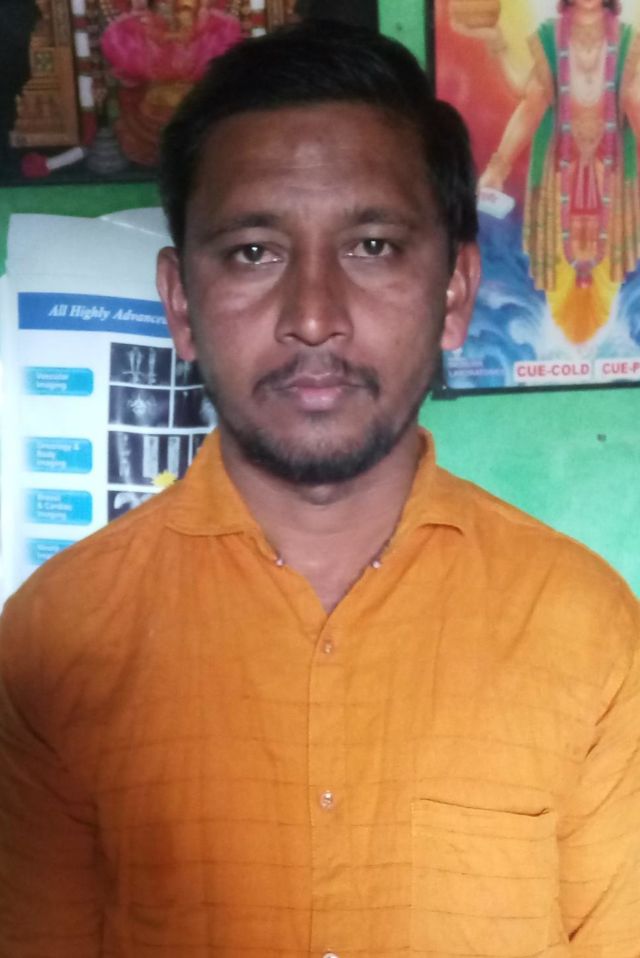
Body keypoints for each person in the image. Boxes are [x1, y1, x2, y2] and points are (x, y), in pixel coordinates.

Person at [1, 19, 639, 958]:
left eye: (372, 246)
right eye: (253, 252)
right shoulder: (54, 642)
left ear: (456, 294)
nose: (311, 316)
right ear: (180, 305)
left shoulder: (587, 628)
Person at [455, 0, 640, 344]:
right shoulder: (550, 38)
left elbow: (635, 105)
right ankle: (563, 344)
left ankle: (601, 343)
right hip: (559, 174)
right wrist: (498, 167)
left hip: (610, 174)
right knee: (559, 265)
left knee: (605, 269)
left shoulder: (629, 41)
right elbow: (531, 105)